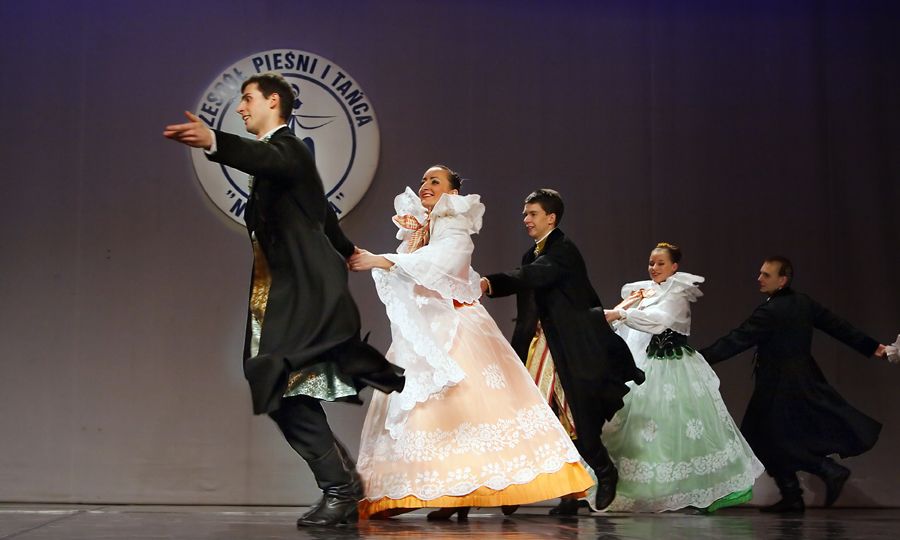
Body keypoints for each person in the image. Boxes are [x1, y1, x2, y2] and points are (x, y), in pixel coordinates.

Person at [163, 72, 404, 528]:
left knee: (275, 378)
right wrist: (348, 249)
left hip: (299, 292)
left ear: (273, 102)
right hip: (278, 291)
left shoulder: (288, 149)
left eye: (247, 99)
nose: (240, 108)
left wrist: (214, 140)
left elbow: (263, 158)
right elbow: (321, 211)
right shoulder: (285, 161)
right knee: (279, 384)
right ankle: (342, 484)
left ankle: (340, 488)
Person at [349, 166, 593, 520]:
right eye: (423, 181)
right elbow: (418, 270)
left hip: (456, 326)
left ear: (452, 193)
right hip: (426, 330)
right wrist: (389, 261)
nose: (425, 185)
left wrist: (381, 260)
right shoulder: (422, 229)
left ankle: (467, 492)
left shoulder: (456, 227)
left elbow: (440, 262)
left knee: (467, 407)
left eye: (435, 181)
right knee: (424, 411)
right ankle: (425, 493)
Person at [480, 189, 644, 511]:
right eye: (525, 214)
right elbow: (530, 301)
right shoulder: (531, 253)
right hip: (540, 345)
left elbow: (535, 275)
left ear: (551, 217)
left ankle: (604, 471)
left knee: (574, 416)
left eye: (533, 214)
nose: (526, 219)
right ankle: (535, 490)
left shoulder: (563, 250)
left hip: (570, 347)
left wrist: (490, 283)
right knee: (532, 415)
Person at [701, 256, 890, 513]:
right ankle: (793, 495)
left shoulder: (770, 311)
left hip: (778, 386)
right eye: (760, 273)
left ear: (782, 280)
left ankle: (827, 470)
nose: (759, 278)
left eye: (766, 275)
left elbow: (736, 340)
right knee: (766, 439)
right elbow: (839, 327)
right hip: (802, 379)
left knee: (767, 440)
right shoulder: (803, 303)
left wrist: (697, 358)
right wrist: (874, 348)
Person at [600, 242, 763, 512]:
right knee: (646, 426)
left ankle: (723, 486)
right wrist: (621, 313)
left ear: (674, 266)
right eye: (651, 263)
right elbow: (634, 328)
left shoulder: (677, 294)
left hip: (675, 368)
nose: (654, 268)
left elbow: (658, 321)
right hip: (651, 364)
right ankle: (640, 487)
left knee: (686, 426)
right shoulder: (648, 290)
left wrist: (622, 313)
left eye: (661, 263)